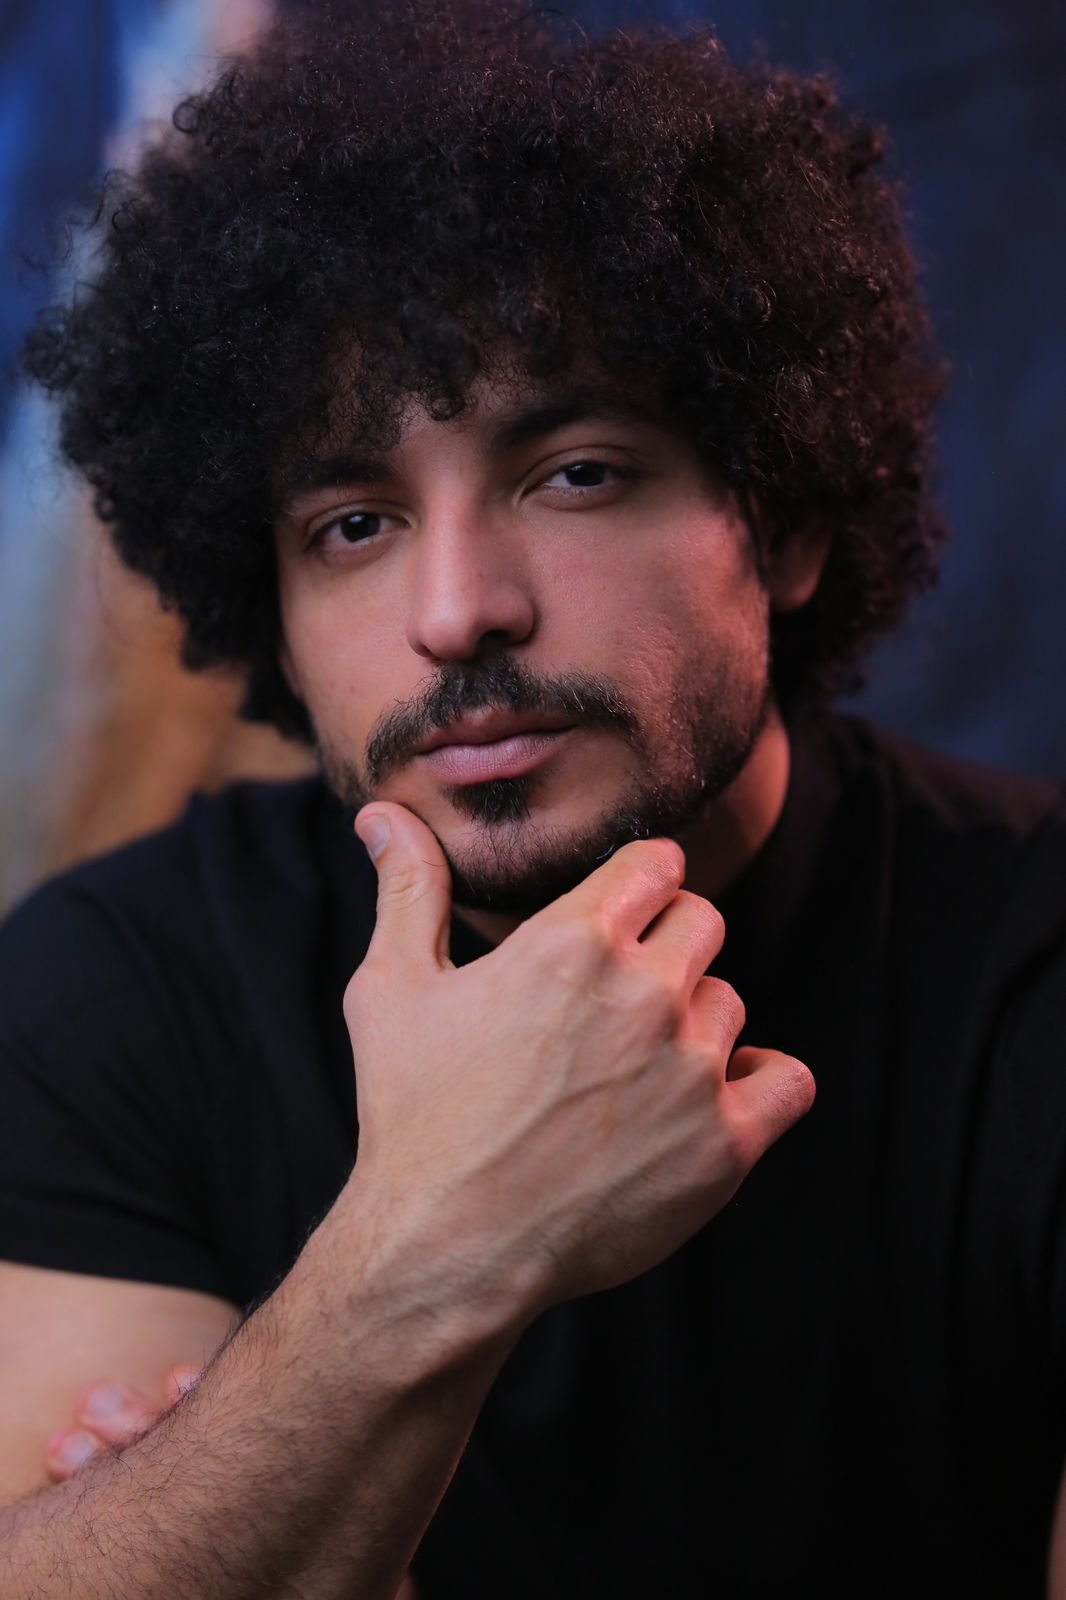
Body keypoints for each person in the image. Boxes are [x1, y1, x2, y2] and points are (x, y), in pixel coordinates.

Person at [1, 2, 1065, 1595]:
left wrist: (273, 1473)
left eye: (573, 473)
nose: (456, 612)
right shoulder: (108, 990)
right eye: (352, 523)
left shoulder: (1033, 965)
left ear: (781, 523)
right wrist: (442, 1242)